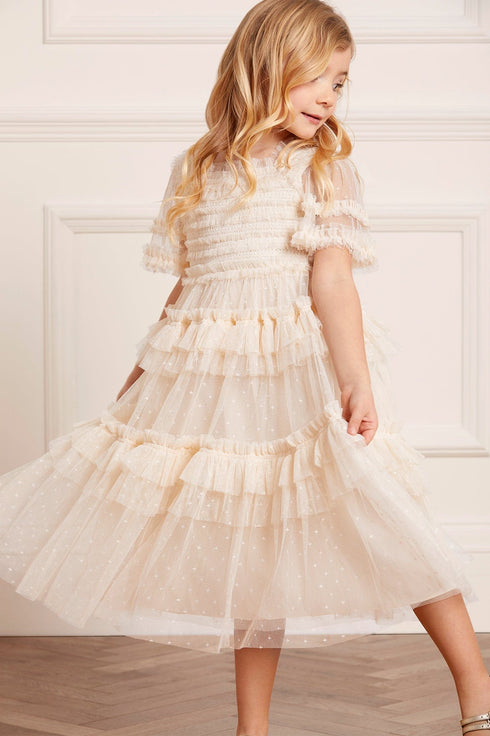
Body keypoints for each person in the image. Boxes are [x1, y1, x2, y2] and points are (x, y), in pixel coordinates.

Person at [0, 1, 488, 734]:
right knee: (253, 548)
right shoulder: (197, 168)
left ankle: (477, 687)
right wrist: (141, 381)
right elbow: (187, 288)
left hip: (297, 371)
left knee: (390, 514)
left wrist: (355, 379)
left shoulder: (322, 169)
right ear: (265, 67)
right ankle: (250, 726)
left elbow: (332, 279)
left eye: (341, 82)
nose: (330, 96)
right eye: (316, 78)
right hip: (218, 384)